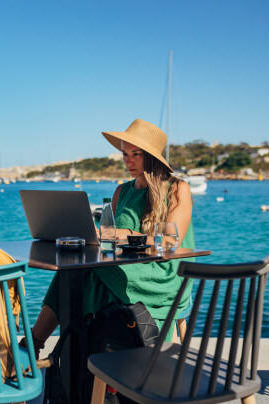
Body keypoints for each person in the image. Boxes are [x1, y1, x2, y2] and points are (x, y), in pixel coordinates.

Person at [31, 118, 195, 351]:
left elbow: (168, 243)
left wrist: (127, 234)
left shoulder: (178, 188)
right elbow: (111, 238)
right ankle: (47, 347)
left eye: (135, 154)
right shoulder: (123, 191)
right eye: (124, 154)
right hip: (128, 263)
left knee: (80, 271)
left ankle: (34, 344)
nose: (128, 160)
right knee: (75, 268)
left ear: (150, 156)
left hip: (163, 271)